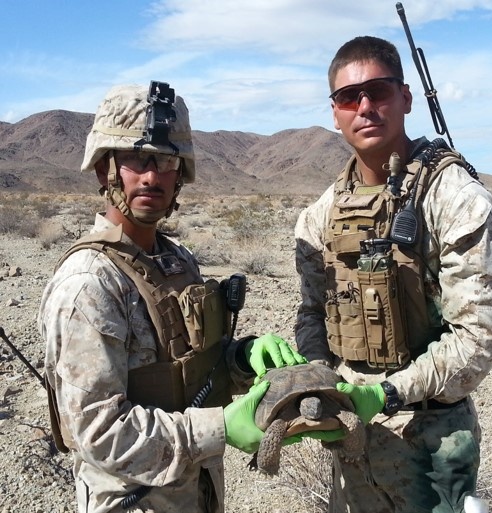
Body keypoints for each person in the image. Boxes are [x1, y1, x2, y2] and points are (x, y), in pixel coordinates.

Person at [38, 81, 305, 513]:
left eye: (166, 160)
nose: (151, 175)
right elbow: (97, 433)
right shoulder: (89, 283)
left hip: (197, 493)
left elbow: (191, 371)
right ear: (105, 168)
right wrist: (220, 426)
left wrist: (241, 357)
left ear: (181, 173)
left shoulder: (178, 261)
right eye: (134, 159)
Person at [294, 36, 492, 513]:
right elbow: (312, 312)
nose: (365, 106)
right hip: (350, 439)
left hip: (430, 445)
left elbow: (477, 339)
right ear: (335, 113)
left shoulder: (455, 199)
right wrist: (320, 381)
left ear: (406, 98)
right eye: (349, 97)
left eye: (379, 91)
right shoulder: (318, 217)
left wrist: (386, 394)